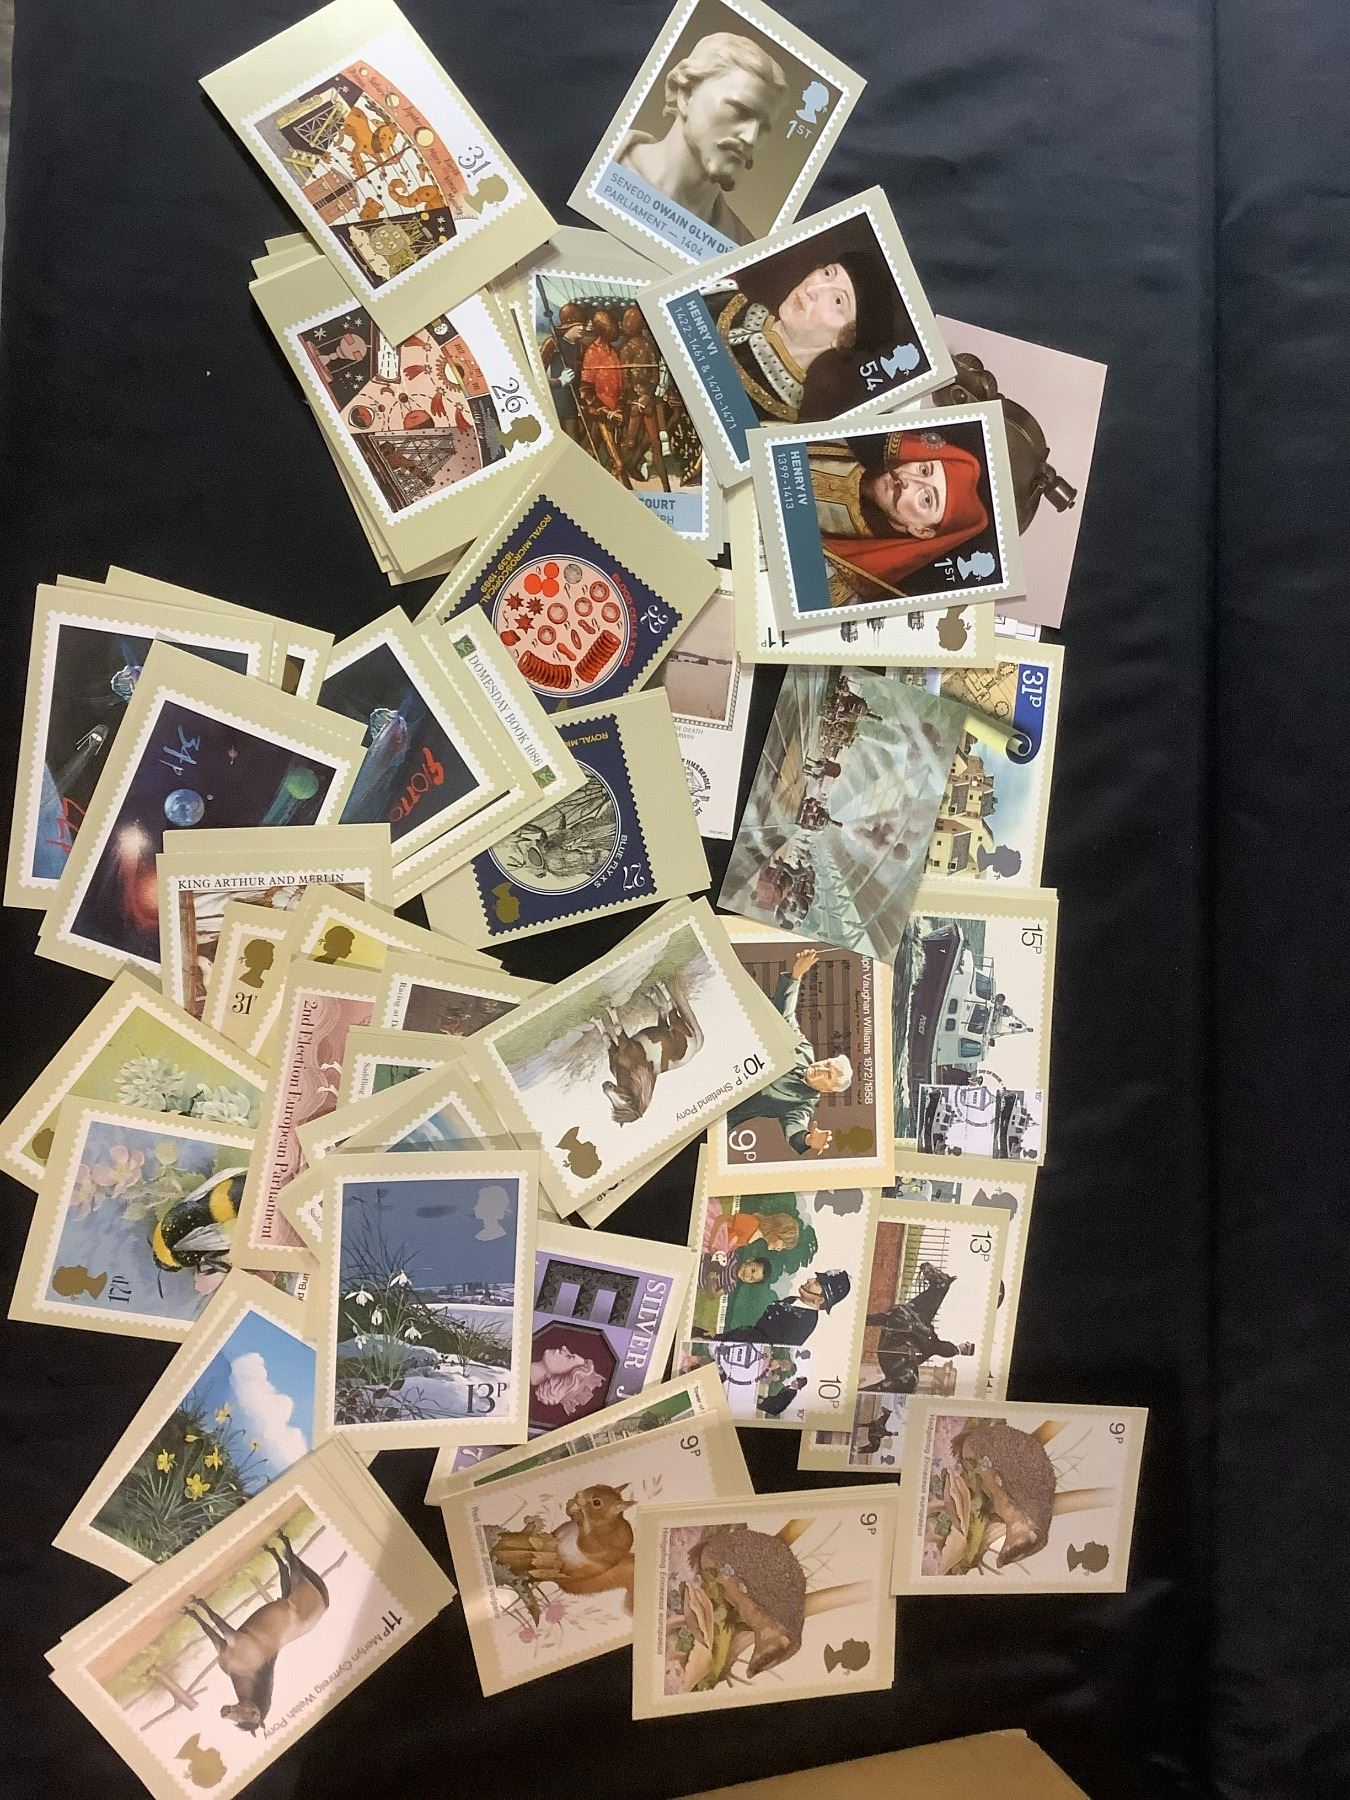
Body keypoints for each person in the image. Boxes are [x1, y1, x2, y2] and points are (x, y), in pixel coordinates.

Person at [615, 32, 788, 245]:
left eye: (763, 128)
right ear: (685, 94)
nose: (751, 138)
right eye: (741, 111)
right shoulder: (602, 163)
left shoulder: (740, 249)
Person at [706, 250, 903, 423]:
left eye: (837, 300)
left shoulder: (773, 419)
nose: (812, 290)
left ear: (844, 339)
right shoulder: (725, 296)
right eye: (827, 274)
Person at [807, 428, 990, 605]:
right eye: (924, 470)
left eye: (926, 499)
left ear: (921, 531)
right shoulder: (835, 441)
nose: (907, 482)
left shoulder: (835, 589)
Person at [723, 948, 851, 1155]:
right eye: (827, 1064)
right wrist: (796, 975)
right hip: (719, 1063)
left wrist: (809, 1140)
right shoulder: (804, 1049)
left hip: (718, 1111)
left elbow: (795, 1130)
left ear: (826, 1090)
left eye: (828, 1075)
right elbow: (785, 1018)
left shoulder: (802, 1104)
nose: (822, 1069)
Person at [860, 1262, 976, 1394]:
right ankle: (864, 1320)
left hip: (912, 1340)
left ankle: (864, 1320)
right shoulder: (950, 1347)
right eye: (966, 1344)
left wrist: (928, 1331)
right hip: (916, 1334)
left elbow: (936, 1347)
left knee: (902, 1319)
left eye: (966, 1345)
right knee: (902, 1317)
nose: (964, 1344)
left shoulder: (952, 1350)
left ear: (965, 1351)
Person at [693, 1268, 851, 1347]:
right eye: (815, 1279)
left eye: (816, 1283)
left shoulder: (803, 1323)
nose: (810, 1280)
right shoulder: (793, 1300)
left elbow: (760, 1344)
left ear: (819, 1300)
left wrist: (720, 1341)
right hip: (728, 1341)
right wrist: (719, 1336)